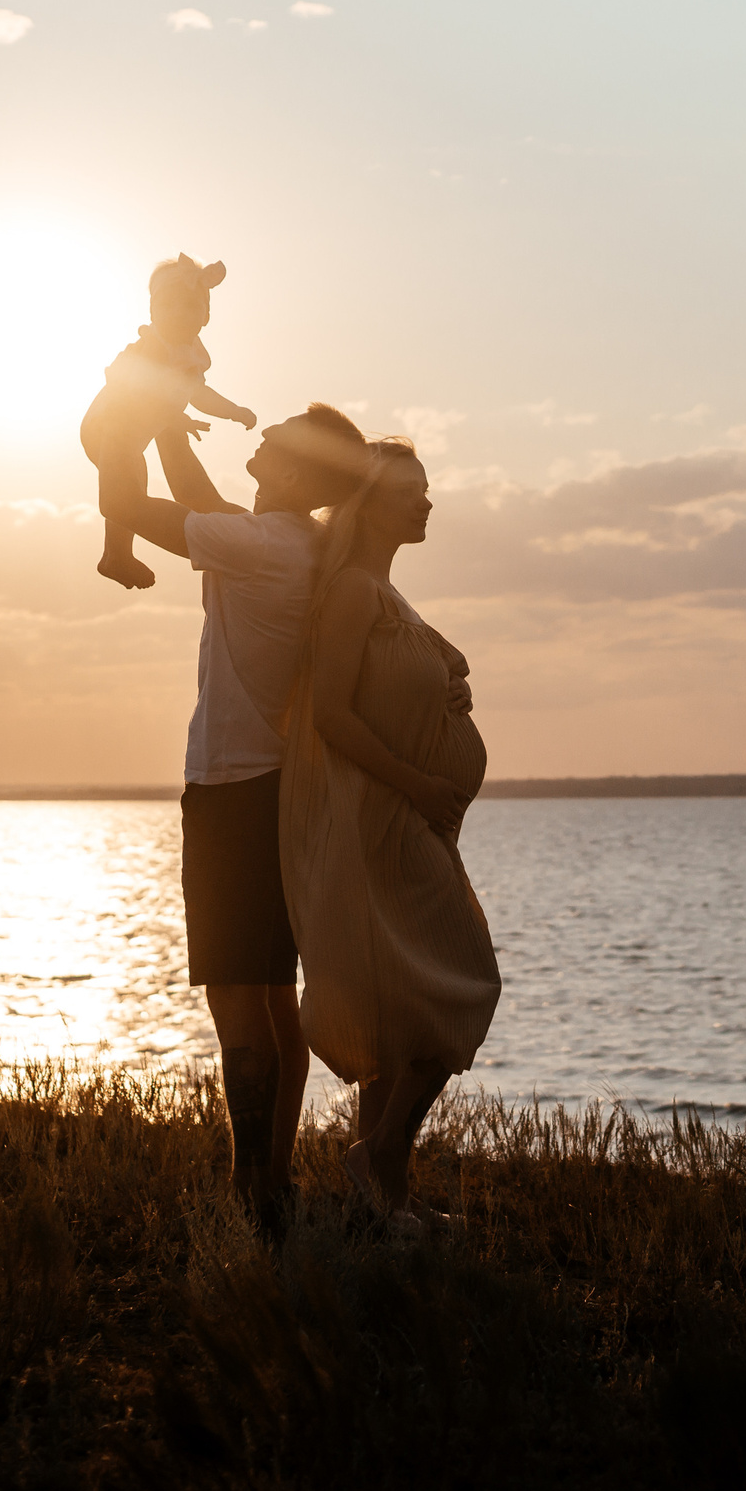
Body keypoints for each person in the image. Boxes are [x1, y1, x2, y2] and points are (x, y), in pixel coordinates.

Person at [108, 403, 370, 1231]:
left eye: (272, 441)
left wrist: (117, 435)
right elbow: (201, 498)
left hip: (229, 792)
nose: (257, 444)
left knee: (234, 1000)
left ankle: (251, 1191)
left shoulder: (256, 546)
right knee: (272, 993)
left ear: (290, 472)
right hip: (275, 791)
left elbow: (138, 509)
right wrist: (165, 427)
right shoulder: (300, 544)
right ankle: (273, 1180)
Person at [278, 437, 500, 1226]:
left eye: (427, 487)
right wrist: (419, 784)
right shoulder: (350, 592)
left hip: (410, 823)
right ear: (368, 504)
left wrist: (446, 693)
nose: (427, 501)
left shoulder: (386, 593)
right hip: (381, 823)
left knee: (400, 1018)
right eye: (411, 490)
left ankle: (384, 1200)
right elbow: (332, 716)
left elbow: (397, 695)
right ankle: (375, 1159)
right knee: (465, 985)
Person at [82, 254, 258, 590]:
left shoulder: (191, 354)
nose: (178, 313)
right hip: (108, 426)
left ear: (205, 316)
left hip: (137, 433)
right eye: (168, 305)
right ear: (152, 312)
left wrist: (233, 410)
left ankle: (115, 555)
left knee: (133, 484)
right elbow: (137, 389)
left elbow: (199, 394)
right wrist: (173, 417)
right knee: (128, 491)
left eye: (190, 306)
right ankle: (116, 555)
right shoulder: (152, 347)